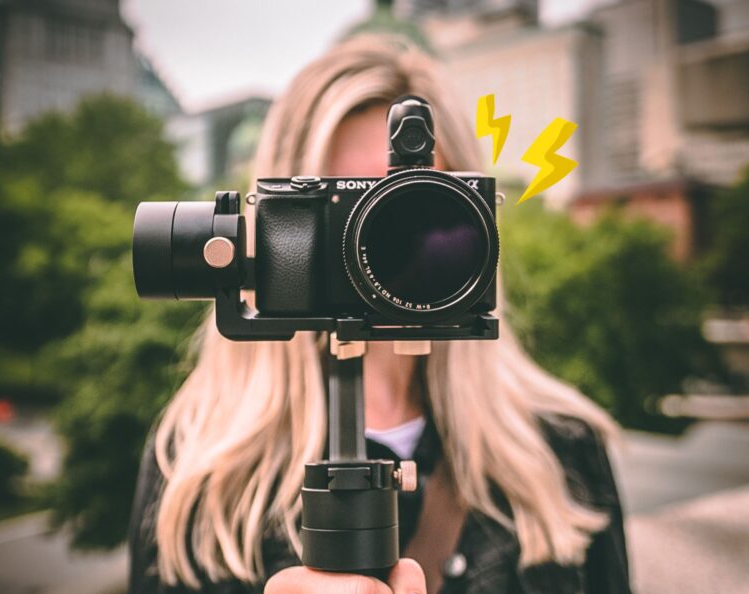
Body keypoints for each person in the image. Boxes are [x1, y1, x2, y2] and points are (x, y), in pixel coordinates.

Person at [128, 34, 632, 594]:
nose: (386, 246)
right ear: (272, 228)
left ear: (476, 222)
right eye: (348, 207)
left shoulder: (562, 446)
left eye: (411, 204)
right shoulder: (194, 463)